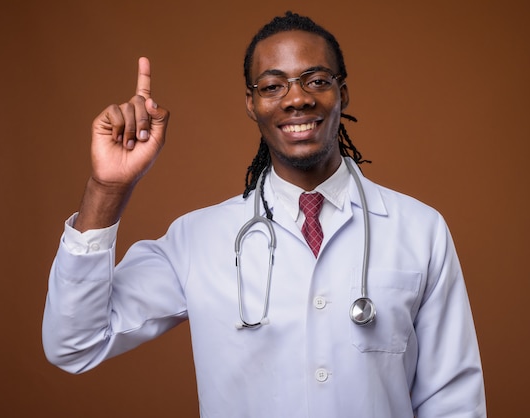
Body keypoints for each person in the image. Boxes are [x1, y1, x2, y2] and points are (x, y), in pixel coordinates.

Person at [42, 11, 487, 418]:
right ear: (251, 104)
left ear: (342, 93)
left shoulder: (420, 229)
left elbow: (452, 401)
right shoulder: (197, 240)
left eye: (315, 80)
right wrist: (108, 188)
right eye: (273, 86)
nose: (296, 99)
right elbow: (74, 344)